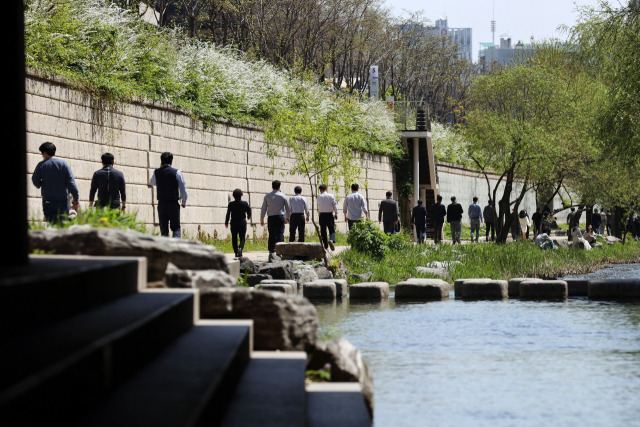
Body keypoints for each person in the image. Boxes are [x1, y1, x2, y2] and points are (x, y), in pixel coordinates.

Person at [31, 141, 80, 223]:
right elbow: (71, 182)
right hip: (63, 200)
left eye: (42, 153)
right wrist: (76, 198)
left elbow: (35, 181)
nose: (42, 155)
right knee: (64, 224)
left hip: (48, 200)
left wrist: (42, 184)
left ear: (45, 153)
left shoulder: (41, 165)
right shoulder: (63, 164)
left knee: (51, 224)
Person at [150, 152, 188, 238]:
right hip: (173, 203)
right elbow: (183, 188)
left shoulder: (157, 172)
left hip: (162, 204)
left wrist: (160, 170)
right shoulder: (177, 172)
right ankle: (175, 248)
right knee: (176, 228)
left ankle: (165, 249)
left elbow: (152, 182)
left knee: (163, 230)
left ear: (161, 161)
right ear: (171, 161)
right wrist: (184, 202)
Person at [260, 180, 290, 254]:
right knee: (280, 233)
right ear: (279, 187)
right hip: (280, 217)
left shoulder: (267, 196)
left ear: (272, 187)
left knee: (272, 234)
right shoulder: (283, 196)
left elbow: (263, 208)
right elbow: (288, 208)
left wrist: (262, 218)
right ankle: (281, 250)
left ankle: (271, 250)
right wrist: (287, 218)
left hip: (271, 218)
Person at [225, 189, 251, 257]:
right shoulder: (245, 203)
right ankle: (240, 248)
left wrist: (226, 222)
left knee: (234, 237)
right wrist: (249, 216)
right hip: (242, 221)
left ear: (233, 196)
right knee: (242, 237)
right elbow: (249, 210)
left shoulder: (231, 204)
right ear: (241, 195)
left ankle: (236, 252)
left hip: (234, 222)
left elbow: (228, 214)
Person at [317, 184, 338, 251]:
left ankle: (325, 246)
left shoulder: (319, 197)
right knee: (331, 229)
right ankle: (331, 240)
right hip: (329, 215)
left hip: (322, 215)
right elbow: (335, 205)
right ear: (326, 189)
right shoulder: (331, 196)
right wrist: (336, 213)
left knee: (323, 231)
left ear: (320, 190)